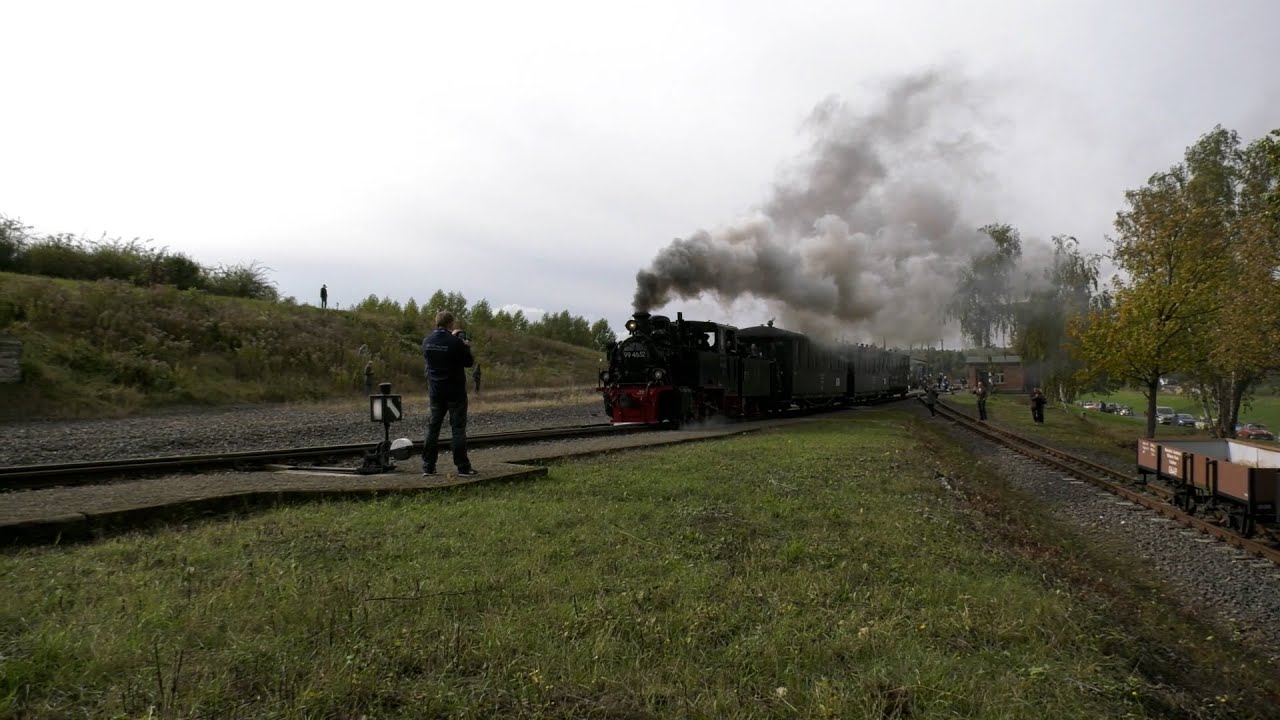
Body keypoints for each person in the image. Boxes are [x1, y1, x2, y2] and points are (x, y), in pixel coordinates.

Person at [421, 311, 477, 477]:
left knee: (433, 428)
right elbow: (468, 362)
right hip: (455, 392)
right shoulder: (456, 342)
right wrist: (465, 346)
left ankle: (428, 466)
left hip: (436, 392)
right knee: (458, 428)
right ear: (451, 324)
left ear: (437, 322)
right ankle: (463, 467)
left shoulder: (427, 341)